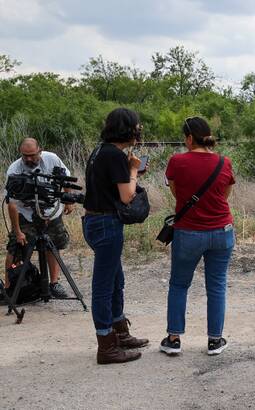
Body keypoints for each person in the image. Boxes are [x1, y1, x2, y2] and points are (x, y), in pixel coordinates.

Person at [160, 116, 235, 357]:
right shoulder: (224, 163)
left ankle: (173, 339)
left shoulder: (177, 161)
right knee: (216, 285)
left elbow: (175, 192)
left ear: (190, 138)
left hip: (189, 232)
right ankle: (215, 340)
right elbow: (225, 194)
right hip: (222, 231)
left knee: (179, 284)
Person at [83, 108, 148, 365]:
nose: (139, 131)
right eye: (136, 127)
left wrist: (129, 172)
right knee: (104, 285)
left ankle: (119, 332)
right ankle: (106, 345)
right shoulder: (115, 155)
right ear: (127, 128)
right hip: (106, 224)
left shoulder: (102, 151)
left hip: (95, 221)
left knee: (115, 280)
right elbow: (126, 196)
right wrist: (132, 170)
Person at [3, 137, 73, 298]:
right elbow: (12, 204)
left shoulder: (52, 159)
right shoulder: (14, 170)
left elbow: (65, 177)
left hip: (51, 211)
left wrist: (68, 200)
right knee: (15, 249)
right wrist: (18, 231)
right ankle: (10, 289)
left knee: (52, 246)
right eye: (24, 155)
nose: (28, 159)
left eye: (32, 155)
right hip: (25, 214)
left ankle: (54, 284)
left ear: (40, 151)